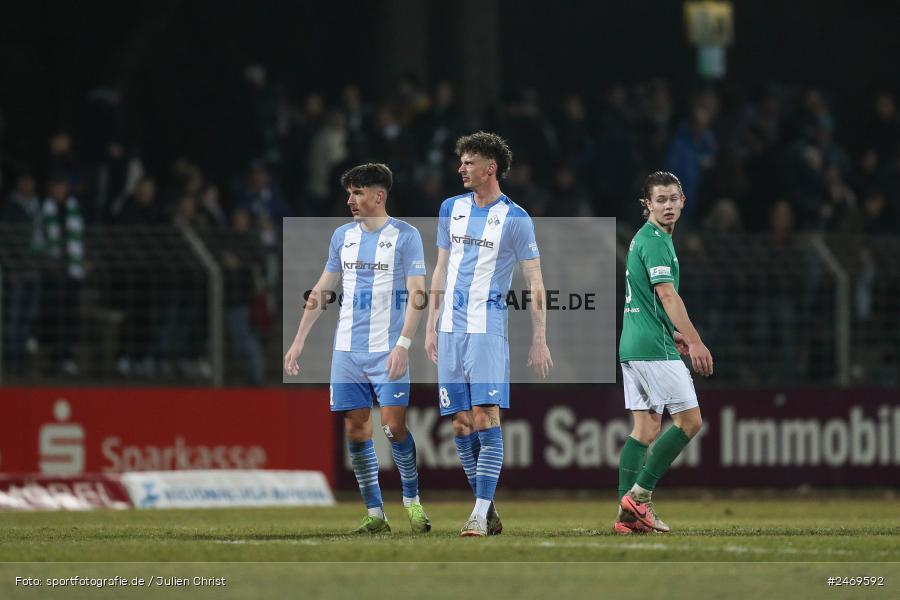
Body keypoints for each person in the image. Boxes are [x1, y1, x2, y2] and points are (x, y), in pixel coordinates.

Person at [283, 163, 431, 534]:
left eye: (358, 192)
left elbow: (417, 293)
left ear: (378, 196)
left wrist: (403, 344)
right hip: (347, 351)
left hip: (388, 351)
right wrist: (299, 340)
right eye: (349, 192)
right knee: (355, 428)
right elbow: (322, 289)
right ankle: (375, 513)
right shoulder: (341, 236)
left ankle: (412, 502)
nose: (351, 199)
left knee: (394, 427)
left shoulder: (405, 236)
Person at [425, 132, 553, 537]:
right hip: (449, 330)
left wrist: (539, 338)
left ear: (490, 168)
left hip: (487, 329)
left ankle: (477, 514)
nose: (461, 168)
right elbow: (440, 270)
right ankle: (488, 506)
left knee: (485, 417)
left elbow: (535, 282)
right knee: (461, 424)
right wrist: (430, 326)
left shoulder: (515, 218)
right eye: (460, 161)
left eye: (468, 162)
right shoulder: (450, 208)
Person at [615, 171, 713, 534]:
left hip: (634, 345)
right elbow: (667, 296)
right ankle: (639, 499)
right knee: (690, 422)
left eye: (673, 198)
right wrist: (695, 339)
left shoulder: (645, 239)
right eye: (661, 200)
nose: (668, 205)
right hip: (651, 349)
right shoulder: (655, 240)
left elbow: (645, 300)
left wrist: (671, 332)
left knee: (645, 428)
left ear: (683, 201)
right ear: (647, 205)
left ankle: (626, 517)